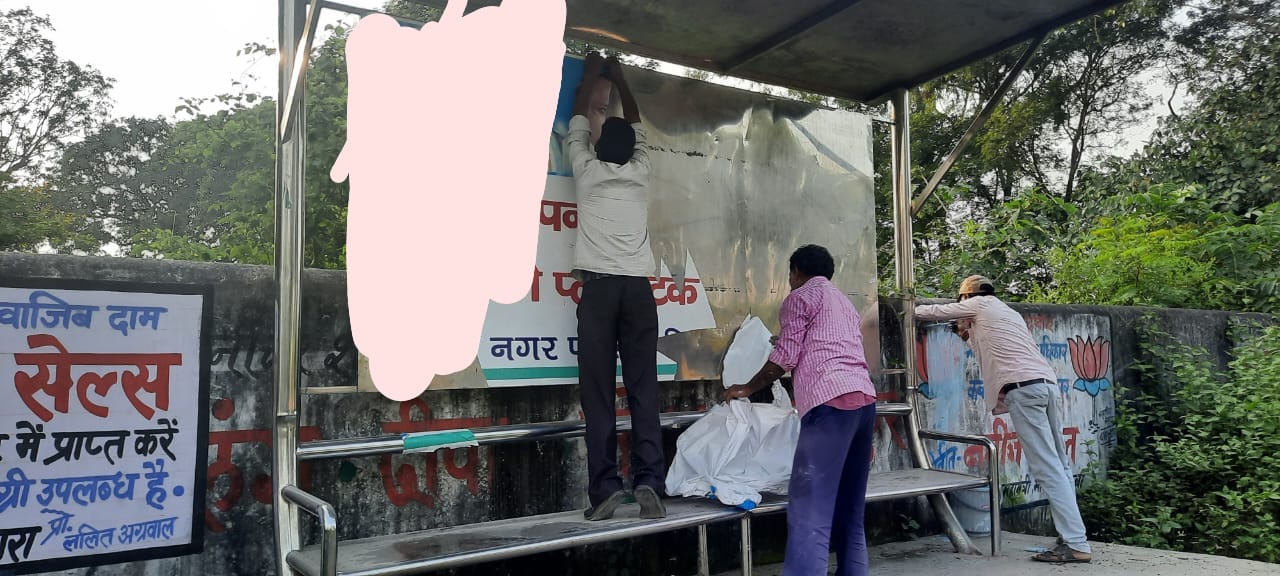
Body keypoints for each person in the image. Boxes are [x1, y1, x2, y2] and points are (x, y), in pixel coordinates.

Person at [915, 275, 1092, 563]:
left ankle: (1076, 544)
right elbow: (989, 348)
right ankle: (1072, 536)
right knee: (1059, 464)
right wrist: (965, 332)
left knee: (1046, 468)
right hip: (1045, 385)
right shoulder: (1007, 313)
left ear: (966, 298)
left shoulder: (979, 305)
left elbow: (932, 312)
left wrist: (905, 308)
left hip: (1024, 390)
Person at [724, 245, 878, 576]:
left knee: (810, 509)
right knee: (850, 509)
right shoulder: (844, 303)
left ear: (796, 273)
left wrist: (746, 388)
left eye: (790, 275)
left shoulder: (799, 298)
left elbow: (785, 357)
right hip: (864, 402)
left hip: (830, 403)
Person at [566, 52, 665, 521]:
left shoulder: (586, 172)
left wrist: (591, 76)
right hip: (639, 293)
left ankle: (605, 488)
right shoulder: (641, 174)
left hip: (601, 292)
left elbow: (578, 120)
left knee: (598, 393)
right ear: (632, 152)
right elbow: (637, 126)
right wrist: (621, 79)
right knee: (644, 390)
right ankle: (650, 483)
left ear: (599, 145)